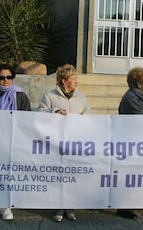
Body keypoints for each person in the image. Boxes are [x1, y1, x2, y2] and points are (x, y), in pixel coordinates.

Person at [37, 64, 90, 222]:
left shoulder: (81, 97)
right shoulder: (50, 96)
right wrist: (54, 112)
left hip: (75, 142)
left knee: (72, 175)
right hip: (57, 142)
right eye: (73, 78)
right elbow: (39, 113)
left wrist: (79, 118)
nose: (76, 81)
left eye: (76, 78)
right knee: (60, 176)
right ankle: (58, 207)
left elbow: (88, 114)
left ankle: (70, 207)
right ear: (63, 81)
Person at [0, 63, 31, 221]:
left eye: (9, 77)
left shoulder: (20, 96)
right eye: (2, 78)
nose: (6, 81)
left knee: (4, 174)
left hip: (9, 141)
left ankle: (4, 206)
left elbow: (27, 118)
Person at [117, 67, 143, 219]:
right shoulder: (132, 98)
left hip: (138, 140)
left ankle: (130, 203)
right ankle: (124, 207)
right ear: (139, 84)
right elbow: (142, 119)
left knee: (136, 174)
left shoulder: (140, 97)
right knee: (130, 173)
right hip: (132, 141)